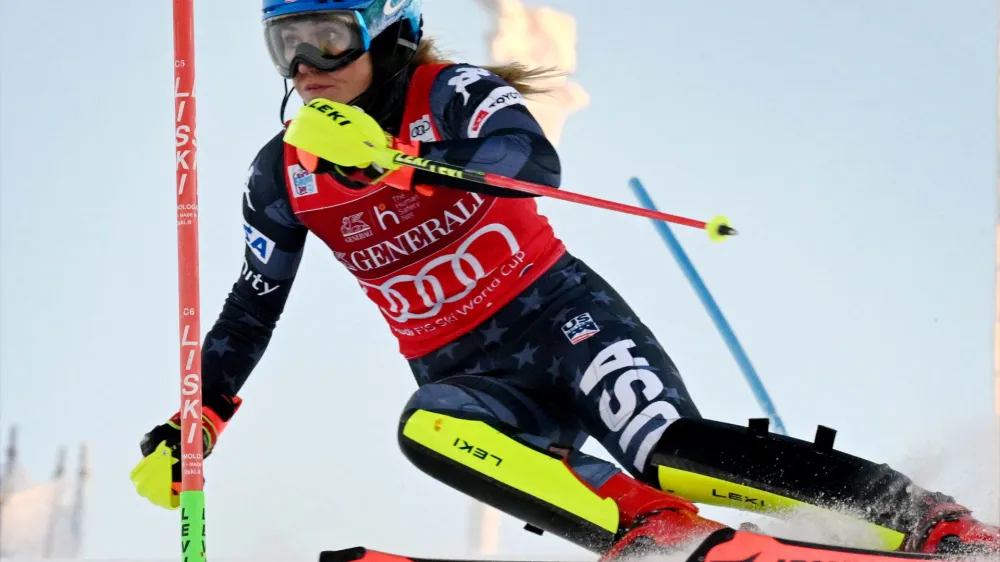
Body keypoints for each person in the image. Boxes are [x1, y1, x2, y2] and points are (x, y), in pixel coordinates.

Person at [131, 0, 1000, 559]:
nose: (305, 65)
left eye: (326, 35)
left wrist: (407, 164)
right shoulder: (283, 173)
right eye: (284, 44)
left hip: (564, 325)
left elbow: (529, 158)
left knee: (671, 452)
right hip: (469, 376)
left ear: (386, 27)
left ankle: (933, 520)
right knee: (430, 429)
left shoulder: (450, 92)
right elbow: (254, 304)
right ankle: (647, 536)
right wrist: (199, 415)